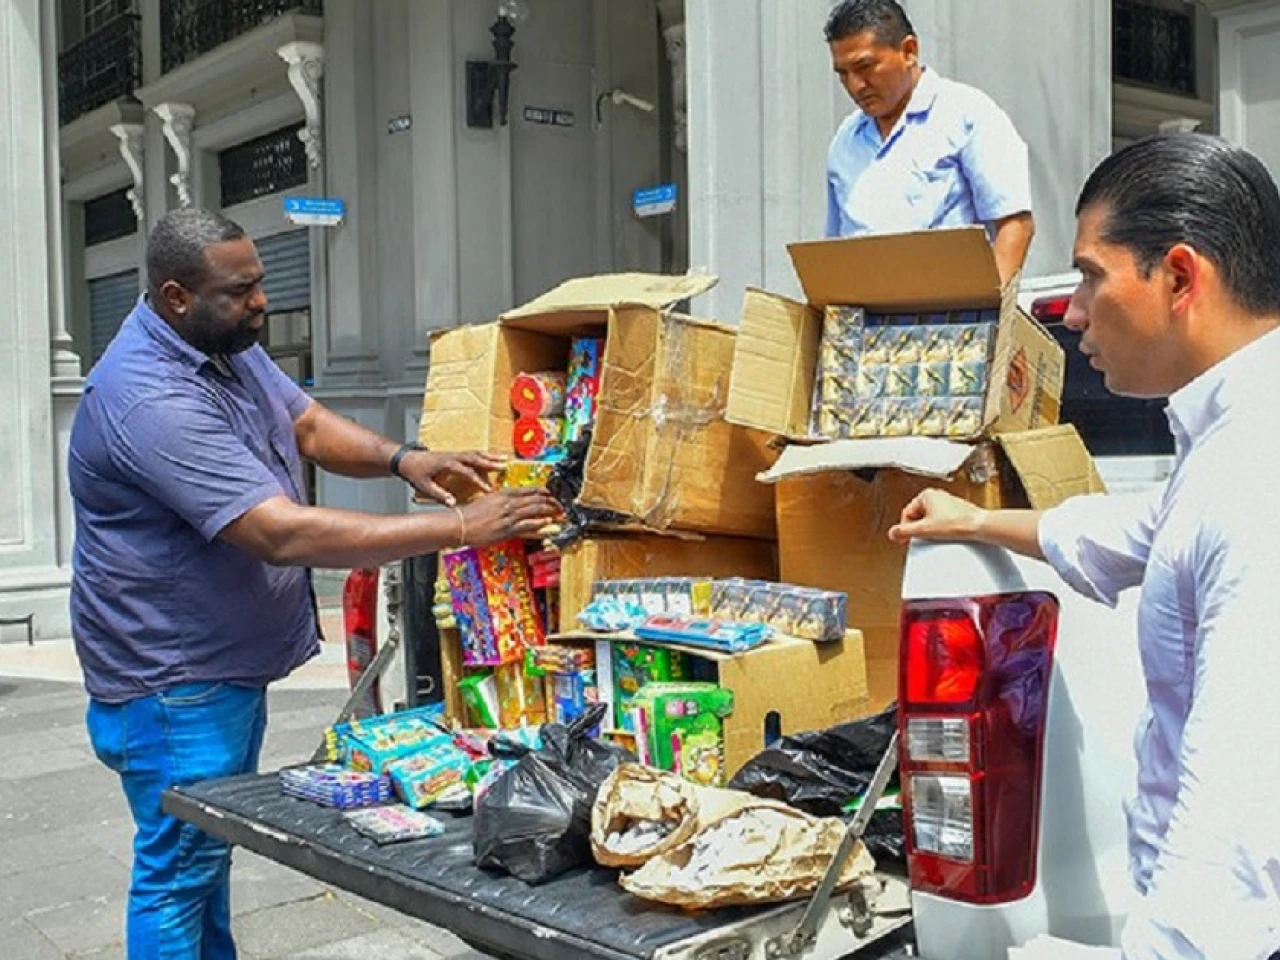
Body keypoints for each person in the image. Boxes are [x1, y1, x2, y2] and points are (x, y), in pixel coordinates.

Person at [68, 208, 560, 959]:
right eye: (240, 291)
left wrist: (405, 459)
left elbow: (304, 424)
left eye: (260, 281)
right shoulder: (147, 397)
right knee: (180, 870)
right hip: (174, 681)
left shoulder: (220, 343)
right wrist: (462, 527)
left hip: (219, 666)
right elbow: (280, 533)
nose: (261, 301)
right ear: (176, 296)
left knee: (204, 858)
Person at [889, 133, 1280, 959]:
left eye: (1092, 276)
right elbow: (1131, 531)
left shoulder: (1251, 477)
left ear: (1180, 278)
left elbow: (1232, 848)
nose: (1070, 312)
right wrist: (972, 522)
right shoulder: (1233, 442)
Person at [824, 0, 1035, 285]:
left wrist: (989, 306)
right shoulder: (845, 141)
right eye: (843, 74)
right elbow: (837, 250)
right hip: (868, 310)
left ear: (909, 51)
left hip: (953, 309)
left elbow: (1015, 225)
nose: (855, 86)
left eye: (865, 67)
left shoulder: (967, 114)